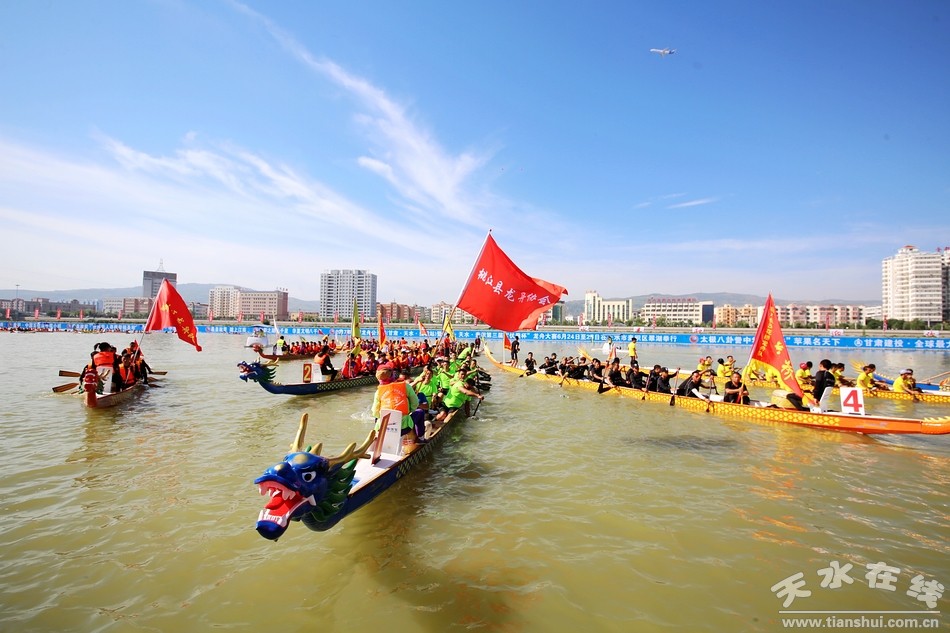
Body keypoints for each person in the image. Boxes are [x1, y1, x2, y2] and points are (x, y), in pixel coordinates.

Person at [371, 364, 420, 452]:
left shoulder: (378, 391)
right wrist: (408, 411)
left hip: (383, 427)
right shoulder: (406, 386)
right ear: (393, 375)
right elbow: (415, 403)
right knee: (417, 415)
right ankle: (415, 442)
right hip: (404, 427)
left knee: (377, 420)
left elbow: (375, 412)